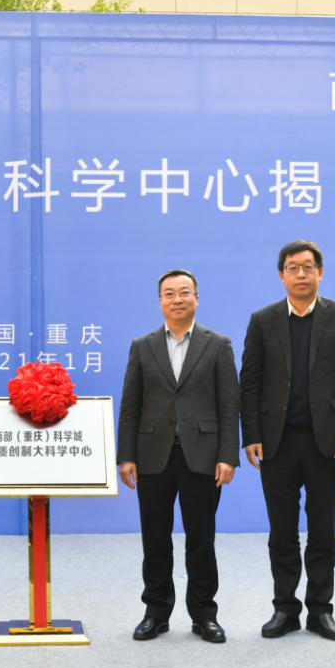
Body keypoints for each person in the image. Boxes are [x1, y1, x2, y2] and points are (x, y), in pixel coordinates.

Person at [240, 240, 335, 642]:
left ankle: (320, 610)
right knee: (282, 532)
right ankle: (284, 608)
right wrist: (251, 435)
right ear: (281, 275)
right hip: (276, 442)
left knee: (323, 531)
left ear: (320, 273)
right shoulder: (262, 320)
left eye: (308, 267)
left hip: (326, 443)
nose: (300, 274)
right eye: (292, 268)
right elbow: (250, 383)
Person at [117, 269, 240, 644]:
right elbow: (131, 405)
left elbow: (229, 405)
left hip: (202, 457)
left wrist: (227, 456)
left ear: (196, 298)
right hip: (152, 457)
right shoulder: (143, 346)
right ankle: (156, 613)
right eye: (169, 293)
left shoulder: (218, 345)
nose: (177, 299)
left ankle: (204, 614)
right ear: (160, 302)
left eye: (184, 292)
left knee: (201, 539)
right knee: (155, 539)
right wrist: (126, 455)